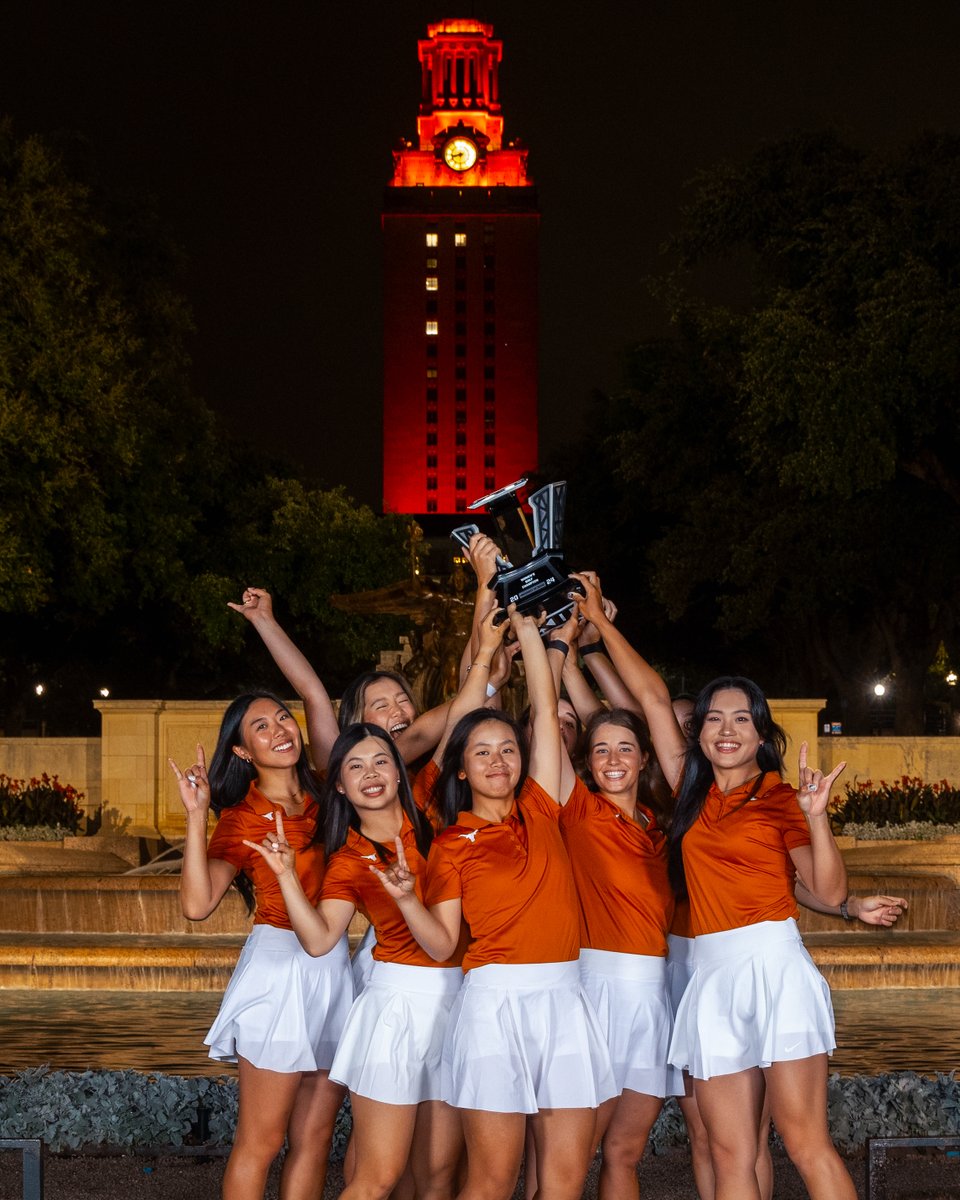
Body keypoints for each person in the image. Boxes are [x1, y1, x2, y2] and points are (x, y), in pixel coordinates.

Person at [572, 572, 858, 1200]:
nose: (726, 729)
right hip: (711, 972)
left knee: (806, 1143)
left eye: (741, 720)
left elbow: (829, 892)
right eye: (713, 719)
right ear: (699, 732)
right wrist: (601, 624)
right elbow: (650, 697)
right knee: (731, 1153)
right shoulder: (690, 794)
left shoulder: (781, 797)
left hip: (773, 964)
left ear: (761, 734)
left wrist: (816, 816)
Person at [379, 607, 616, 1200]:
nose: (498, 761)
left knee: (564, 1181)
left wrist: (532, 631)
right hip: (493, 1005)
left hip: (565, 997)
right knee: (491, 1181)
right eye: (482, 752)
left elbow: (543, 693)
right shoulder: (452, 844)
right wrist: (409, 900)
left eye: (508, 749)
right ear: (462, 766)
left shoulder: (542, 806)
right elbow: (441, 943)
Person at [242, 724, 464, 1200]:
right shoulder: (347, 861)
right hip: (396, 1010)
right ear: (340, 784)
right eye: (355, 766)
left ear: (400, 773)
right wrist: (285, 877)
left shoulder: (436, 821)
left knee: (439, 1177)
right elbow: (321, 939)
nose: (371, 773)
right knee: (378, 1177)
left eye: (381, 761)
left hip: (458, 1005)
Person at [169, 692, 353, 1200]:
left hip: (335, 968)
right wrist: (197, 814)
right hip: (279, 973)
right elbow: (197, 904)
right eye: (261, 728)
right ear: (244, 751)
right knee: (262, 1140)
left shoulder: (333, 799)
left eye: (282, 719)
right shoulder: (244, 816)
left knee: (315, 1138)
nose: (280, 731)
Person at [557, 705, 681, 1200]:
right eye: (600, 750)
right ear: (586, 761)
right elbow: (547, 716)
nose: (613, 759)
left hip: (651, 998)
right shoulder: (579, 809)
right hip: (594, 993)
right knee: (572, 1156)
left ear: (645, 757)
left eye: (625, 748)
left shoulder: (660, 827)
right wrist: (552, 647)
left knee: (624, 1152)